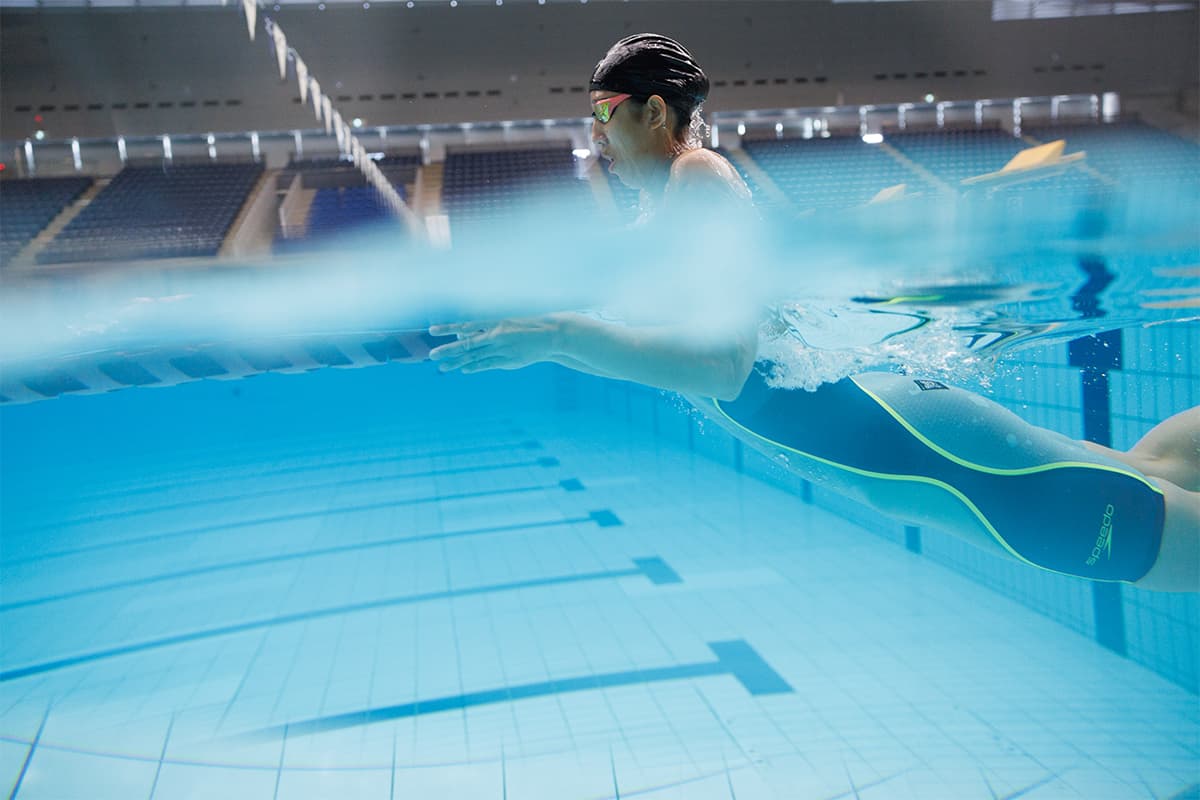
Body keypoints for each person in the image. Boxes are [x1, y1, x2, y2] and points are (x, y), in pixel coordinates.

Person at [429, 34, 1199, 593]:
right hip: (920, 448)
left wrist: (562, 337)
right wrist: (541, 322)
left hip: (926, 452)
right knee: (1154, 471)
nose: (594, 137)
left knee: (1120, 531)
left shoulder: (698, 179)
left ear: (654, 111)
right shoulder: (659, 219)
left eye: (603, 113)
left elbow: (723, 365)